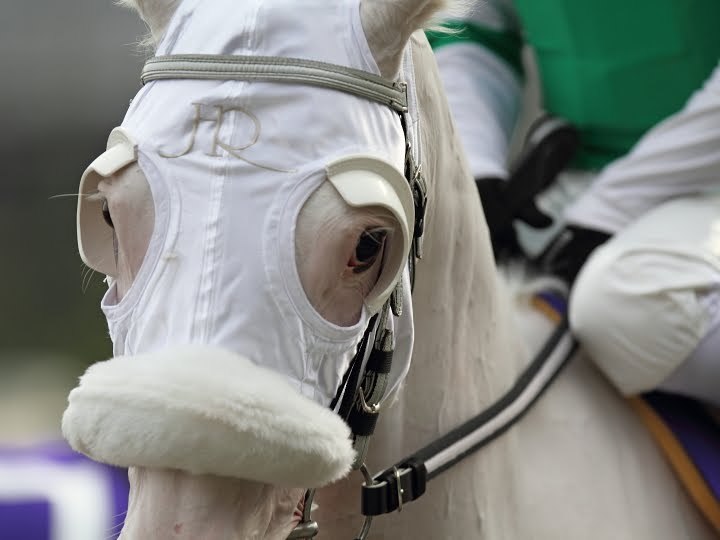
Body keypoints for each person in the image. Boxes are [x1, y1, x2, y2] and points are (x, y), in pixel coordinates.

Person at [428, 1, 720, 406]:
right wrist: (476, 168)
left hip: (707, 187)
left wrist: (612, 207)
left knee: (622, 309)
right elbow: (470, 25)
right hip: (573, 186)